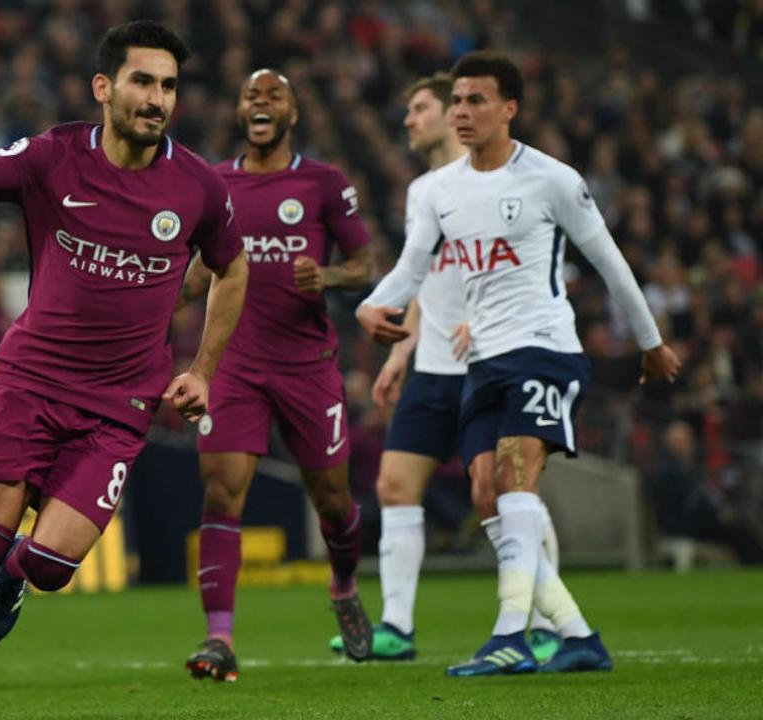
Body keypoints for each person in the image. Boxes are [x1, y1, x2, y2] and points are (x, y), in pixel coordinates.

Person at [0, 20, 248, 720]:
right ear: (104, 87)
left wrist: (205, 369)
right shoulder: (53, 156)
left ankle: (16, 580)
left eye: (168, 85)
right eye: (142, 81)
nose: (157, 98)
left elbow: (233, 267)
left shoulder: (198, 186)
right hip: (29, 383)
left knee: (50, 565)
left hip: (117, 409)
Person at [356, 51, 681, 677]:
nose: (462, 112)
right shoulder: (437, 192)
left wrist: (650, 341)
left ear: (510, 108)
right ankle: (578, 634)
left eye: (475, 101)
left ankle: (511, 634)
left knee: (515, 477)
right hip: (482, 361)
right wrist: (376, 306)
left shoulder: (551, 179)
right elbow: (412, 268)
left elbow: (608, 261)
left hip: (544, 348)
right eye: (456, 101)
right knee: (486, 492)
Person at [331, 73, 563, 663]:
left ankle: (544, 621)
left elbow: (530, 266)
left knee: (503, 493)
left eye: (420, 108)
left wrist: (485, 321)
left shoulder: (499, 183)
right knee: (393, 485)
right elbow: (420, 278)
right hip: (433, 366)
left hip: (491, 361)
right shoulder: (427, 190)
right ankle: (396, 629)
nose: (409, 120)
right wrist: (402, 350)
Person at [175, 69, 374, 681]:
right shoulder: (213, 183)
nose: (260, 104)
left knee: (334, 500)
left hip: (307, 367)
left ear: (293, 113)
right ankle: (219, 639)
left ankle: (343, 585)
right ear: (238, 111)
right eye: (250, 96)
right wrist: (189, 282)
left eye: (274, 96)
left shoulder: (323, 182)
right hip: (232, 366)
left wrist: (331, 276)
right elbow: (192, 279)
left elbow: (364, 263)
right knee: (221, 491)